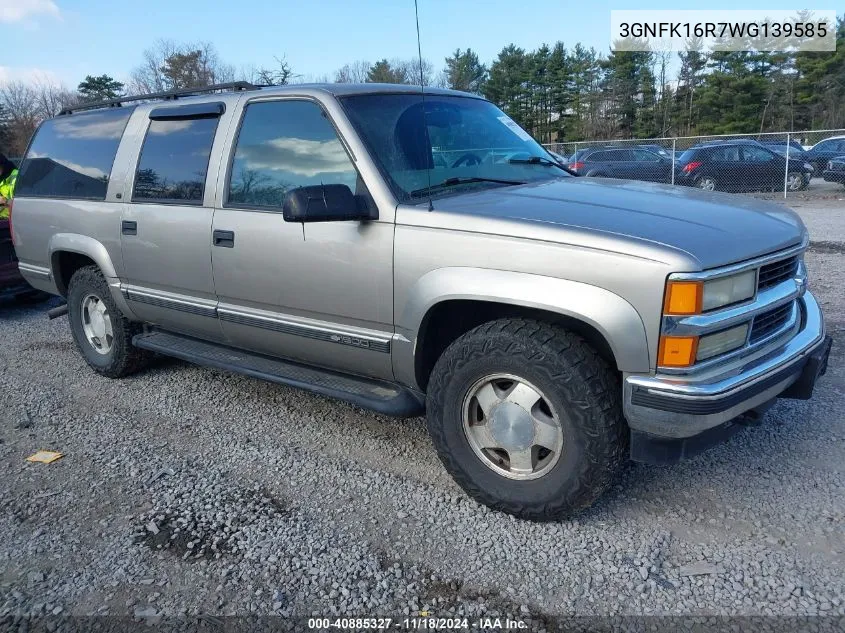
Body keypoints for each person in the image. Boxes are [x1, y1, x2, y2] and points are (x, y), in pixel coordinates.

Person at [0, 153, 18, 220]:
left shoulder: (17, 177)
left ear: (3, 165)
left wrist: (6, 201)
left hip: (12, 220)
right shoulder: (1, 177)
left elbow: (25, 204)